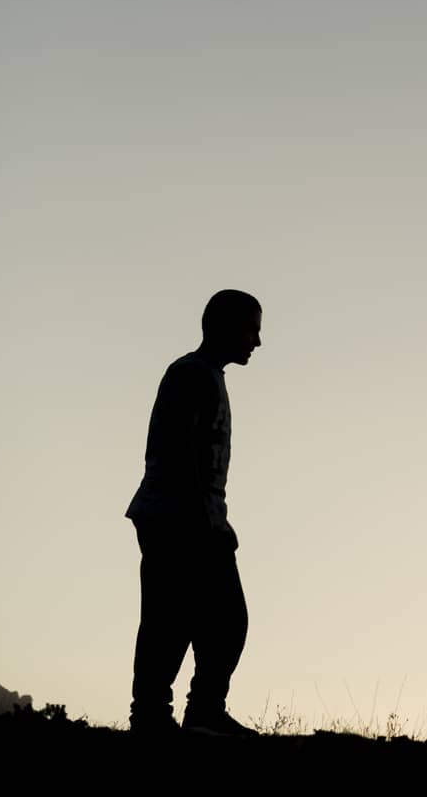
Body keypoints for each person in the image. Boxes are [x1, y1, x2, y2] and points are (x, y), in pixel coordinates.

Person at [125, 289, 263, 738]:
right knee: (176, 618)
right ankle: (156, 717)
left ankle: (195, 711)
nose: (256, 342)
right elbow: (181, 451)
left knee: (210, 619)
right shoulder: (191, 374)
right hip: (176, 518)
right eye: (251, 329)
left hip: (189, 516)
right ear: (224, 326)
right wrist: (206, 521)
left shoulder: (207, 376)